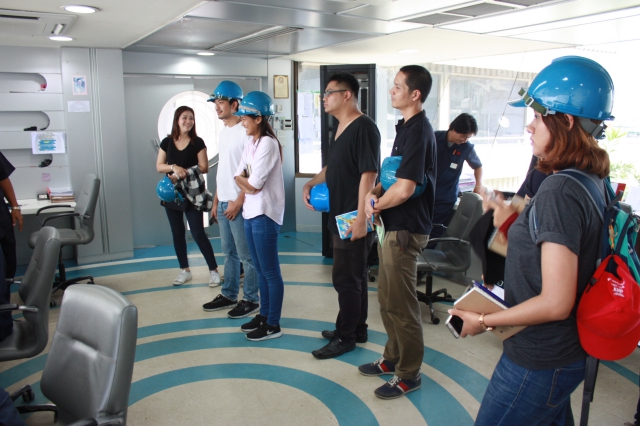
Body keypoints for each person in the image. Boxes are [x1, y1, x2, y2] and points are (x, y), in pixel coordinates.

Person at [449, 56, 614, 425]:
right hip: (564, 351)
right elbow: (558, 261)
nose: (530, 126)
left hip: (540, 356)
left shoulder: (560, 190)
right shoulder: (591, 180)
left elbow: (556, 302)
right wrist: (510, 224)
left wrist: (484, 320)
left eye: (538, 117)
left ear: (566, 121)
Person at [360, 65, 437, 399]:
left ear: (415, 93)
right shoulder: (405, 127)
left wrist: (375, 205)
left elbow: (405, 189)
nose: (391, 91)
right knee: (387, 299)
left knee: (403, 307)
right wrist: (373, 193)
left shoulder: (419, 131)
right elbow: (393, 177)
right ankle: (392, 357)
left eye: (397, 86)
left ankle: (409, 373)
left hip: (405, 230)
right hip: (389, 227)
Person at [302, 72, 380, 359]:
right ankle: (357, 328)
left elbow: (369, 175)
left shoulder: (364, 127)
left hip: (352, 218)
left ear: (347, 95)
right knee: (353, 277)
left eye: (329, 93)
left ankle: (345, 337)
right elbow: (333, 167)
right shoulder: (341, 128)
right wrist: (311, 183)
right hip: (340, 216)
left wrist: (361, 219)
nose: (323, 98)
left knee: (346, 279)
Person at [202, 81, 260, 319]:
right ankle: (229, 294)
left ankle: (251, 299)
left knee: (247, 256)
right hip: (224, 201)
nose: (217, 107)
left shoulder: (245, 132)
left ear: (235, 104)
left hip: (240, 203)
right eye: (215, 102)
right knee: (229, 254)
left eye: (221, 102)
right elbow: (224, 170)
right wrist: (217, 201)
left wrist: (238, 201)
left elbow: (251, 173)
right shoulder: (225, 132)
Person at [233, 91, 286, 342]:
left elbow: (253, 185)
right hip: (251, 212)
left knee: (270, 272)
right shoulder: (251, 143)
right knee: (260, 270)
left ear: (259, 118)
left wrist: (244, 182)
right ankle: (264, 315)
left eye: (245, 117)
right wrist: (245, 182)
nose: (242, 121)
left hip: (265, 214)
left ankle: (273, 323)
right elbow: (238, 175)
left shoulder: (268, 143)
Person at [156, 106, 221, 287]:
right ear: (177, 120)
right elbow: (159, 166)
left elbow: (204, 167)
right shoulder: (167, 142)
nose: (188, 121)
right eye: (184, 118)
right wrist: (173, 167)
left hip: (193, 194)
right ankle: (185, 270)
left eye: (191, 118)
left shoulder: (197, 142)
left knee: (198, 233)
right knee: (177, 233)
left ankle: (213, 271)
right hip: (173, 194)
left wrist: (184, 171)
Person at [430, 113, 482, 244]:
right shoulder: (433, 138)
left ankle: (427, 255)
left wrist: (478, 186)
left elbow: (478, 167)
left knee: (434, 232)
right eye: (463, 136)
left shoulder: (466, 147)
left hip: (445, 198)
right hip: (426, 194)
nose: (464, 140)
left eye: (468, 137)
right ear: (453, 129)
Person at [0, 151, 23, 282]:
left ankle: (6, 289)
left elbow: (3, 177)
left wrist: (15, 207)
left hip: (1, 217)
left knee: (9, 259)